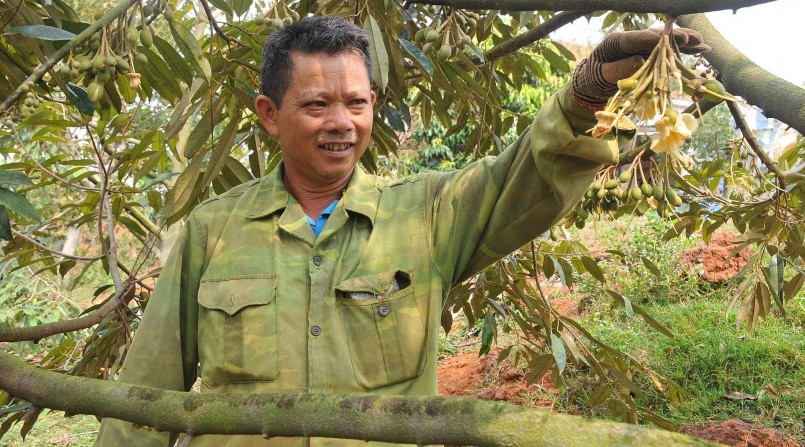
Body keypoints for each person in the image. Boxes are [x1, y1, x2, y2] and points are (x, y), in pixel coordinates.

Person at [94, 15, 708, 447]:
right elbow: (145, 399)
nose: (341, 123)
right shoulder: (211, 230)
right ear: (269, 115)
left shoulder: (427, 213)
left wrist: (593, 84)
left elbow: (524, 176)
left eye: (356, 104)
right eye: (315, 106)